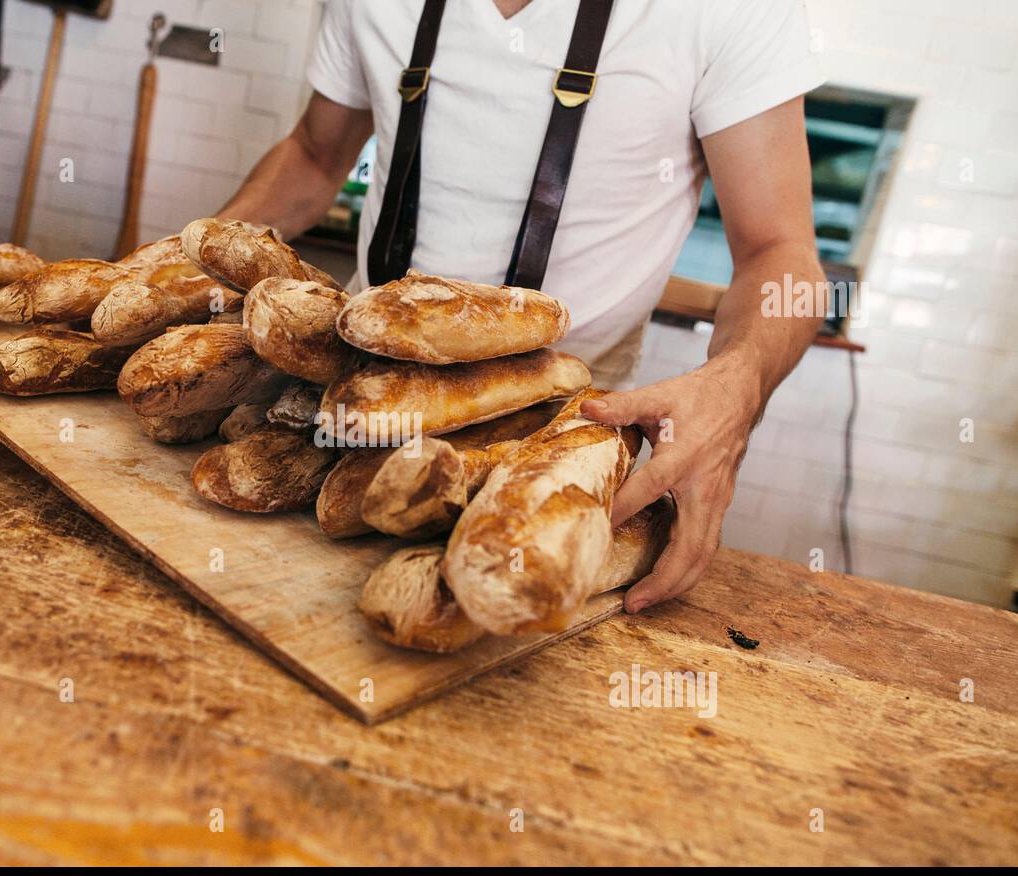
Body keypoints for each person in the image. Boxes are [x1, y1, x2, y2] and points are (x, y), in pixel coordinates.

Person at [217, 0, 828, 611]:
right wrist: (180, 266)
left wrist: (735, 390)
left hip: (562, 448)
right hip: (344, 408)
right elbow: (314, 155)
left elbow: (779, 250)